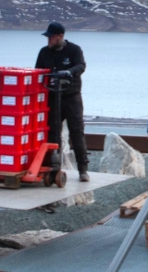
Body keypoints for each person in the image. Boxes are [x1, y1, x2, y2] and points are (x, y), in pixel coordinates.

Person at [34, 22, 90, 182]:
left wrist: (69, 72)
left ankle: (83, 169)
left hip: (71, 98)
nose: (48, 40)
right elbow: (37, 71)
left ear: (60, 36)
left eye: (51, 37)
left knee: (77, 131)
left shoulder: (74, 50)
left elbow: (81, 66)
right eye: (48, 37)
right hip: (52, 98)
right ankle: (53, 167)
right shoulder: (44, 52)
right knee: (52, 133)